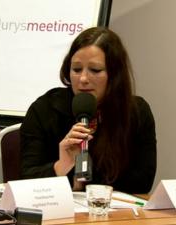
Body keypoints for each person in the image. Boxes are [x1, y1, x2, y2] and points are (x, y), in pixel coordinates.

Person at [20, 27, 156, 194]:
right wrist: (61, 166)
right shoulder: (44, 109)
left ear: (115, 75)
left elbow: (142, 182)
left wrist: (81, 180)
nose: (83, 79)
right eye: (76, 69)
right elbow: (25, 179)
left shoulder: (136, 112)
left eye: (95, 70)